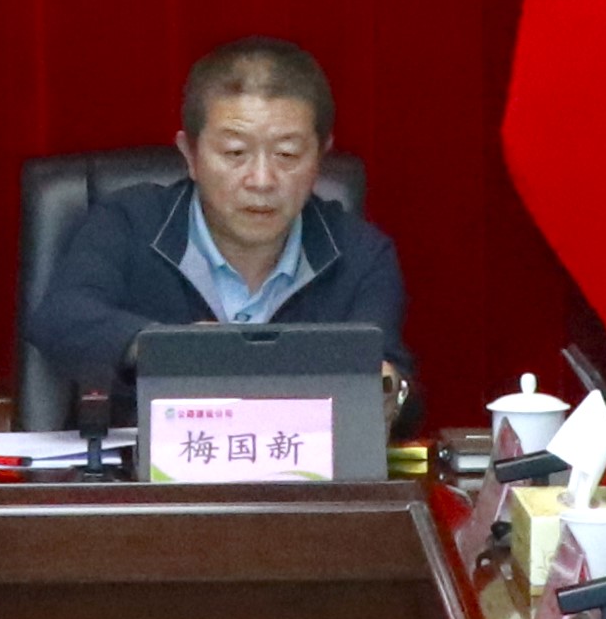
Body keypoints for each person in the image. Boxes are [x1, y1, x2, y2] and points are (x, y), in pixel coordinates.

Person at [22, 37, 409, 409]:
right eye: (235, 153)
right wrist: (173, 349)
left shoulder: (361, 255)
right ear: (190, 155)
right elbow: (62, 319)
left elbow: (394, 378)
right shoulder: (128, 223)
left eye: (287, 155)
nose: (261, 180)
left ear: (320, 158)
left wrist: (391, 392)